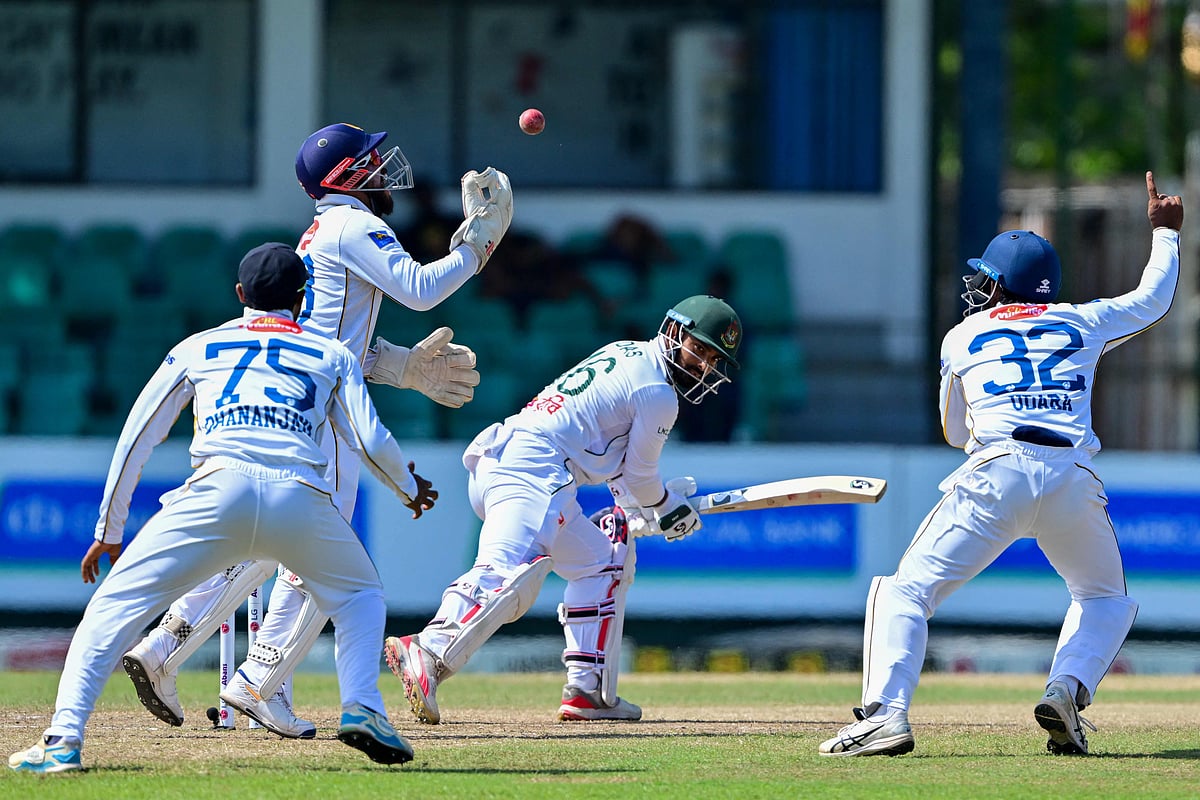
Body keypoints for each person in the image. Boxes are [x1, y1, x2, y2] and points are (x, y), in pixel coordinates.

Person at [120, 122, 512, 739]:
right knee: (315, 564)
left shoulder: (328, 231)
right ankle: (252, 677)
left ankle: (192, 657)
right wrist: (479, 244)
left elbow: (340, 335)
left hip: (304, 398)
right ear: (347, 177)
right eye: (371, 162)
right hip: (324, 415)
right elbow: (420, 290)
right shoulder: (356, 225)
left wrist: (403, 367)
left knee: (259, 547)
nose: (384, 171)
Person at [8, 244, 437, 773]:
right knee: (359, 595)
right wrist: (406, 487)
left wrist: (109, 527)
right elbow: (370, 440)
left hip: (215, 492)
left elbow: (137, 436)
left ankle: (63, 743)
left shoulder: (197, 347)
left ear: (240, 296)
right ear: (302, 301)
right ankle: (363, 707)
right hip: (299, 498)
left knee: (111, 609)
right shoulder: (332, 354)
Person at [819, 171, 1183, 758]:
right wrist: (1165, 233)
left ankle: (886, 716)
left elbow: (954, 431)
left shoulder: (962, 336)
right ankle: (1067, 688)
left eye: (984, 279)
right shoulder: (1082, 322)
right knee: (1104, 599)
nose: (976, 289)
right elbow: (1154, 299)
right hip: (1072, 477)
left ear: (1000, 283)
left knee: (904, 592)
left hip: (997, 469)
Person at [383, 294, 742, 723]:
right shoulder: (659, 392)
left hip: (514, 460)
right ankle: (428, 648)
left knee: (600, 560)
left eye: (712, 358)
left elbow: (624, 473)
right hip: (535, 469)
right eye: (699, 349)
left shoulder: (626, 350)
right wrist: (667, 506)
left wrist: (649, 506)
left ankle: (587, 691)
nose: (703, 365)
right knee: (510, 573)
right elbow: (643, 478)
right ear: (675, 332)